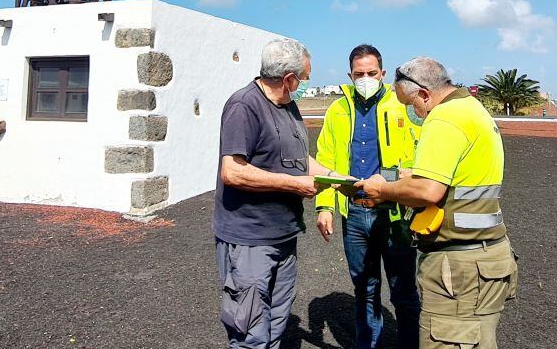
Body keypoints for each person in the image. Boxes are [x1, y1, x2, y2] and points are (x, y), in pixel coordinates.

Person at [354, 57, 517, 349]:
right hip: (489, 258)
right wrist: (414, 176)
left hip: (459, 267)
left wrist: (385, 189)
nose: (412, 113)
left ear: (425, 94)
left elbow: (428, 191)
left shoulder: (443, 118)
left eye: (410, 104)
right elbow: (457, 178)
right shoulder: (471, 109)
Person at [213, 38, 331, 349]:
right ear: (289, 78)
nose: (305, 84)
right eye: (304, 78)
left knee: (276, 324)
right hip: (250, 239)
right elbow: (233, 171)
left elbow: (299, 158)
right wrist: (294, 185)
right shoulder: (243, 106)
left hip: (283, 235)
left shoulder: (288, 106)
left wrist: (335, 178)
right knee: (250, 330)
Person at [313, 44, 421, 349]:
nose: (365, 78)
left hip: (395, 214)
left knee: (404, 293)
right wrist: (325, 207)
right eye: (359, 73)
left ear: (383, 73)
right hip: (355, 214)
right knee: (365, 290)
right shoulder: (337, 110)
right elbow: (326, 160)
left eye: (372, 73)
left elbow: (419, 155)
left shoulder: (403, 106)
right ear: (349, 74)